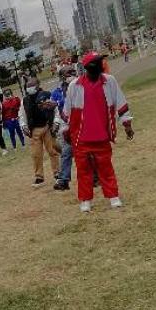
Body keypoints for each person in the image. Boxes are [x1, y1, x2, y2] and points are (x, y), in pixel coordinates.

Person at [64, 52, 134, 212]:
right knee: (83, 170)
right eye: (99, 62)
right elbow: (67, 111)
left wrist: (127, 123)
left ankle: (113, 196)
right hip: (80, 137)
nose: (102, 64)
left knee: (106, 167)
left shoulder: (109, 81)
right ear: (90, 67)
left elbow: (120, 101)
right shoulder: (74, 86)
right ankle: (85, 200)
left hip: (102, 135)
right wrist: (65, 130)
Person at [19, 77, 60, 187]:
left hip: (47, 126)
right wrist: (23, 125)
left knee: (53, 151)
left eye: (31, 86)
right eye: (28, 86)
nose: (29, 88)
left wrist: (56, 122)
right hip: (34, 130)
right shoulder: (25, 100)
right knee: (36, 154)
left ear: (37, 85)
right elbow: (21, 114)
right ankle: (39, 177)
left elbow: (55, 110)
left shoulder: (47, 94)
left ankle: (57, 174)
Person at [52, 65, 77, 191]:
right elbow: (58, 110)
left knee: (88, 152)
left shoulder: (81, 85)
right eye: (68, 74)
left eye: (73, 73)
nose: (71, 76)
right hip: (67, 126)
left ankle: (95, 177)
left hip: (82, 123)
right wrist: (56, 123)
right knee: (66, 152)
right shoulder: (57, 92)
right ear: (62, 77)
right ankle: (63, 180)